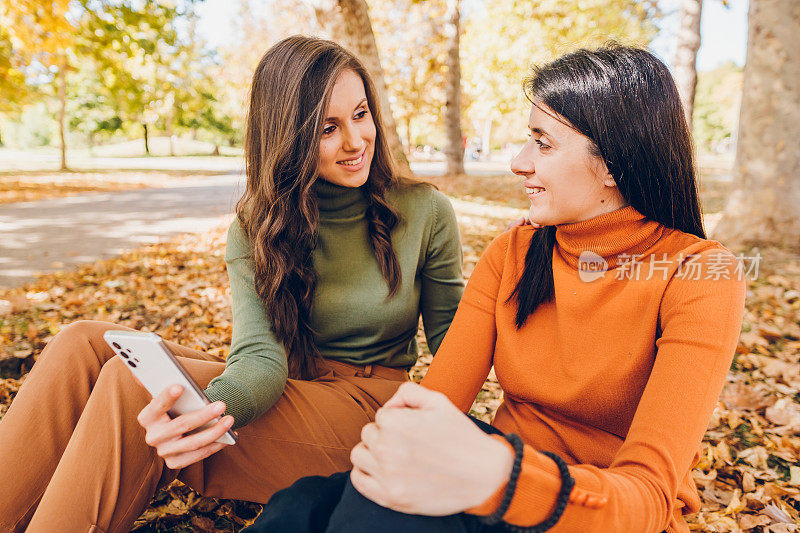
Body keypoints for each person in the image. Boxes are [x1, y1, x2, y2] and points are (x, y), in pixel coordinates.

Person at [248, 44, 747, 533]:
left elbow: (647, 499)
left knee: (377, 513)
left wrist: (495, 477)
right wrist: (402, 440)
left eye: (543, 143)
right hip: (494, 469)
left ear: (614, 164)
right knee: (301, 505)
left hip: (588, 508)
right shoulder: (515, 252)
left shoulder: (699, 276)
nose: (518, 162)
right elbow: (437, 401)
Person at [0, 36, 464, 533]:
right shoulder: (258, 226)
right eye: (328, 128)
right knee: (81, 345)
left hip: (370, 411)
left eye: (361, 114)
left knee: (132, 387)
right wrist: (216, 406)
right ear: (288, 136)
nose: (355, 141)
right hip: (288, 384)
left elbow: (456, 341)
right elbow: (260, 357)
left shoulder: (424, 211)